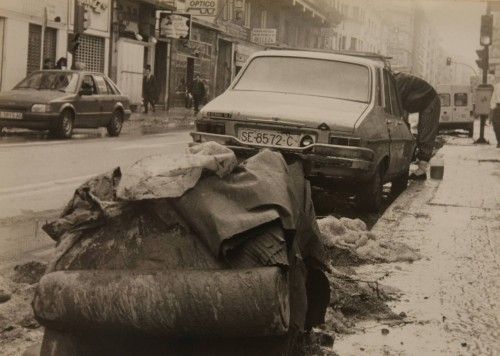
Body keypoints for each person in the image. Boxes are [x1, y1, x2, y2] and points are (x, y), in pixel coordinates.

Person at [394, 72, 441, 180]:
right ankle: (420, 166)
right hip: (424, 101)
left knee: (426, 133)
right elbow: (402, 112)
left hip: (430, 101)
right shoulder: (397, 82)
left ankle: (422, 171)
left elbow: (399, 110)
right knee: (422, 132)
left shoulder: (397, 83)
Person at [489, 80, 500, 148]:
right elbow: (493, 99)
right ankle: (499, 141)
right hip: (498, 107)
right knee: (496, 126)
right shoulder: (497, 86)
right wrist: (493, 110)